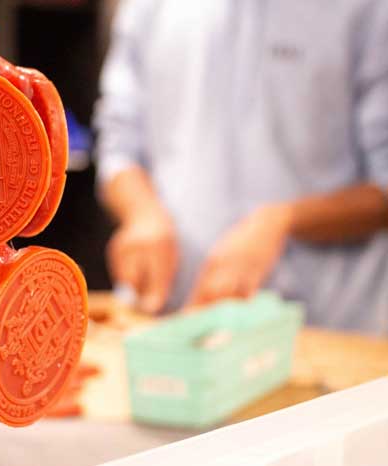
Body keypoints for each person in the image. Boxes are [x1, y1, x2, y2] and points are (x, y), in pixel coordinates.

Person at [94, 0, 388, 334]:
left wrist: (280, 222)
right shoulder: (148, 7)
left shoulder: (370, 9)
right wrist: (142, 213)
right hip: (172, 321)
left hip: (327, 332)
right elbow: (119, 145)